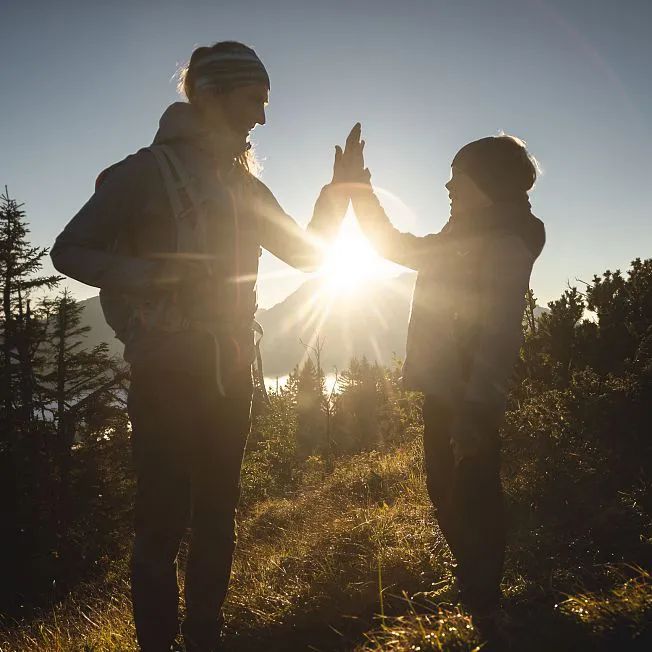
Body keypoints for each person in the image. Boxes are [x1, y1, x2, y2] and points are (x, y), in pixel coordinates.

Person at [51, 41, 356, 652]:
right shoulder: (144, 171)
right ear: (212, 96)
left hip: (229, 369)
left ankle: (204, 639)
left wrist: (337, 193)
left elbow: (305, 253)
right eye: (254, 100)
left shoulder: (242, 183)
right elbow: (68, 250)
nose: (263, 118)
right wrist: (153, 275)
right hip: (168, 368)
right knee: (164, 521)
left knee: (217, 513)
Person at [342, 127, 545, 620]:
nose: (449, 188)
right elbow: (392, 244)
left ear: (489, 185)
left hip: (470, 397)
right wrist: (357, 188)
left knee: (469, 498)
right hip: (449, 392)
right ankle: (478, 593)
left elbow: (499, 333)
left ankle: (484, 607)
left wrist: (477, 410)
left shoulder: (503, 243)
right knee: (449, 496)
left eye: (459, 179)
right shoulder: (465, 238)